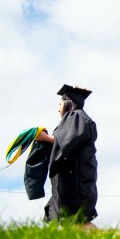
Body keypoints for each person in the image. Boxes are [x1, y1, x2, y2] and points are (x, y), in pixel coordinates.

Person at [34, 84, 98, 226]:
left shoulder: (77, 117)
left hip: (76, 184)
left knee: (78, 222)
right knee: (65, 221)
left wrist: (45, 138)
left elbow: (66, 141)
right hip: (69, 183)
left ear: (68, 103)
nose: (58, 109)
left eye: (60, 104)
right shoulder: (76, 119)